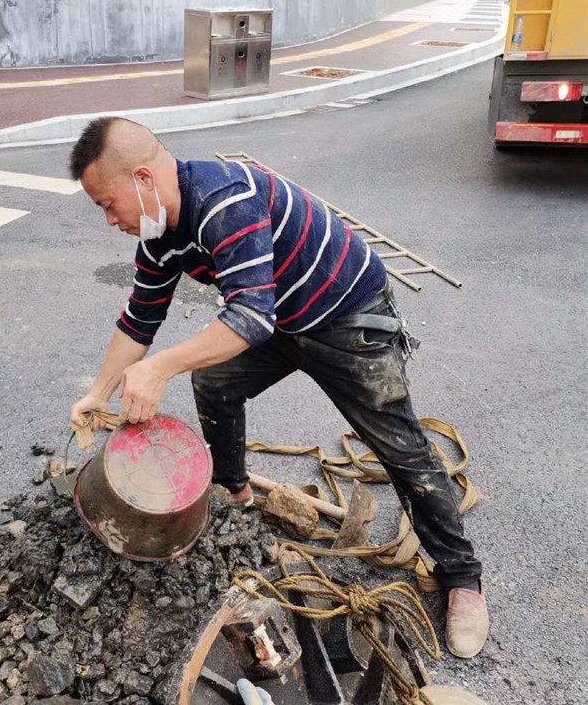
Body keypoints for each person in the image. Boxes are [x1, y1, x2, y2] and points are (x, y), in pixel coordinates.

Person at [68, 117, 489, 659]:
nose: (108, 219)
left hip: (347, 317)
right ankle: (234, 493)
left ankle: (462, 578)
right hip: (279, 318)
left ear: (144, 179)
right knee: (215, 379)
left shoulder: (224, 201)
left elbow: (248, 317)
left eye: (107, 202)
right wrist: (100, 392)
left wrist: (158, 369)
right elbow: (139, 320)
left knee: (402, 450)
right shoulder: (156, 237)